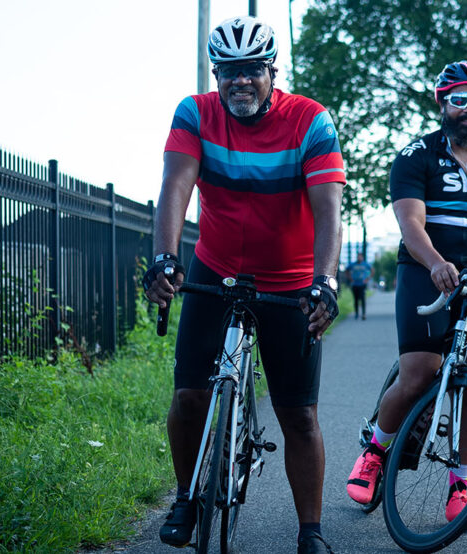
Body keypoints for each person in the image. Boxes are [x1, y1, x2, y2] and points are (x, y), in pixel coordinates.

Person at [142, 16, 343, 554]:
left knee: (299, 414)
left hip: (292, 279)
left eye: (252, 69)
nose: (240, 81)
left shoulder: (311, 122)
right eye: (228, 71)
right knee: (188, 397)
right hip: (217, 267)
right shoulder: (195, 113)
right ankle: (186, 496)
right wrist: (164, 257)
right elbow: (175, 184)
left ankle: (311, 532)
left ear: (272, 71)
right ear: (217, 74)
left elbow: (329, 211)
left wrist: (325, 280)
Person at [345, 61, 467, 528]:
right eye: (459, 99)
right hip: (423, 273)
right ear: (441, 102)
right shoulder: (417, 155)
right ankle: (373, 455)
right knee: (418, 375)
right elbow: (411, 224)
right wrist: (434, 263)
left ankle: (458, 491)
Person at [347, 253, 372, 320]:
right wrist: (350, 279)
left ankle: (363, 314)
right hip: (355, 284)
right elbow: (346, 270)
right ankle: (356, 314)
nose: (359, 258)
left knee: (363, 299)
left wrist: (367, 279)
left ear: (362, 258)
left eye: (360, 257)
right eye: (358, 257)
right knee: (356, 299)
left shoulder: (365, 264)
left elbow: (372, 270)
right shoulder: (353, 264)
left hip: (362, 284)